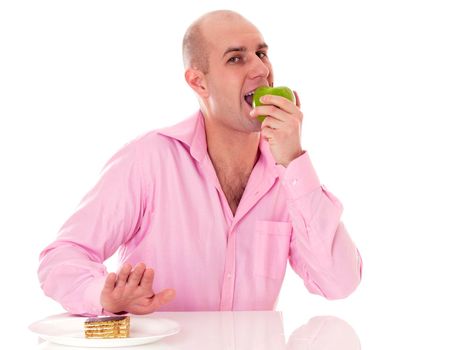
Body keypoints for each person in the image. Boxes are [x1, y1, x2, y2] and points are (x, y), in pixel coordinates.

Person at [38, 10, 362, 316]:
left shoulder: (288, 177)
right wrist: (104, 296)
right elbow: (61, 258)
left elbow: (339, 282)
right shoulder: (148, 160)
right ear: (198, 82)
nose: (261, 70)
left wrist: (293, 160)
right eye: (236, 58)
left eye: (262, 54)